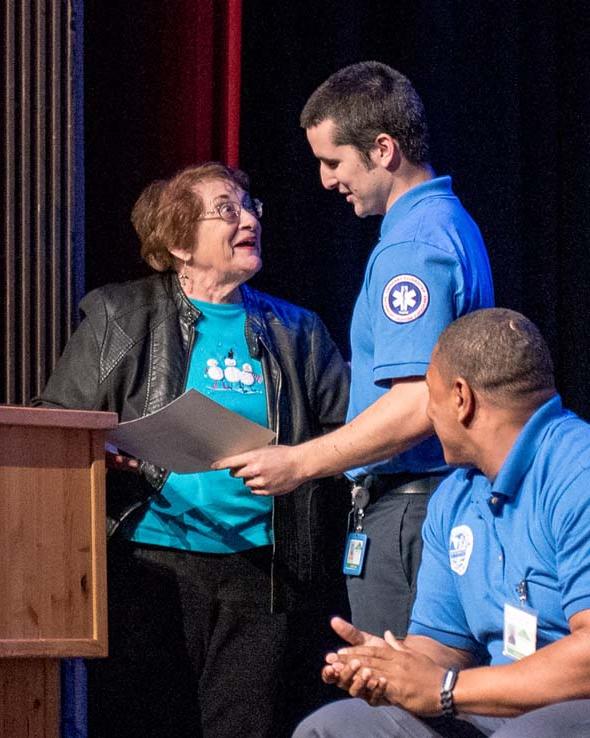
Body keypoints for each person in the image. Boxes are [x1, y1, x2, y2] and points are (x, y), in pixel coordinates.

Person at [35, 162, 350, 738]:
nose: (248, 218)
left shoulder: (298, 332)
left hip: (261, 570)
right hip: (148, 565)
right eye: (227, 209)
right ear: (180, 242)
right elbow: (57, 423)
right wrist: (104, 453)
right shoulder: (120, 316)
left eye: (249, 206)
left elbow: (351, 431)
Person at [214, 61, 494, 637]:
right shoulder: (444, 221)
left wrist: (298, 463)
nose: (324, 179)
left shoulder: (412, 245)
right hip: (420, 506)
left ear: (384, 149)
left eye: (333, 161)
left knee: (404, 709)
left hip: (412, 511)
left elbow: (417, 403)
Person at [294, 308, 590, 738]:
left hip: (572, 706)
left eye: (429, 396)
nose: (428, 416)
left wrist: (447, 688)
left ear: (460, 397)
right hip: (491, 707)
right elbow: (443, 645)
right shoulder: (455, 496)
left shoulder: (576, 472)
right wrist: (392, 668)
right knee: (333, 728)